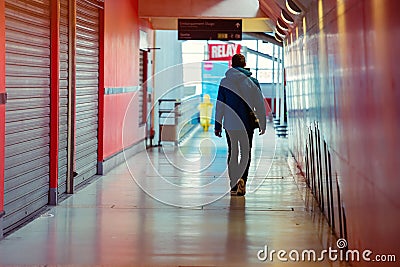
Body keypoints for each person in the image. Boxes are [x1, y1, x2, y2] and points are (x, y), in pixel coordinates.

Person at [214, 54, 266, 196]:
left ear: (232, 64)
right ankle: (243, 179)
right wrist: (262, 122)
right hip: (247, 124)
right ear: (244, 64)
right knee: (245, 152)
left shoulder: (224, 82)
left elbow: (220, 105)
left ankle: (233, 184)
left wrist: (217, 125)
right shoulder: (253, 82)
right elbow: (260, 105)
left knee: (233, 152)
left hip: (230, 124)